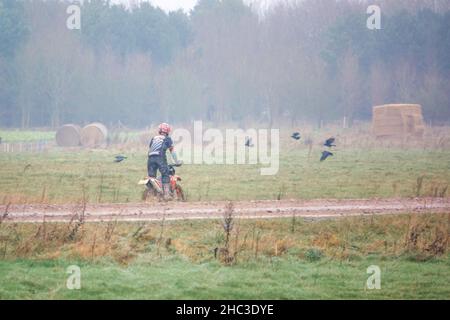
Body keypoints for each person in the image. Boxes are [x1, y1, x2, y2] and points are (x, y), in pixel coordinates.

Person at [147, 123, 180, 200]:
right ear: (168, 131)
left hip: (150, 158)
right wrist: (177, 161)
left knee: (152, 177)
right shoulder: (167, 139)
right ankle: (166, 194)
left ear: (159, 130)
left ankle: (151, 196)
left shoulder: (153, 138)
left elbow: (151, 148)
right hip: (160, 158)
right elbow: (172, 151)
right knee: (165, 174)